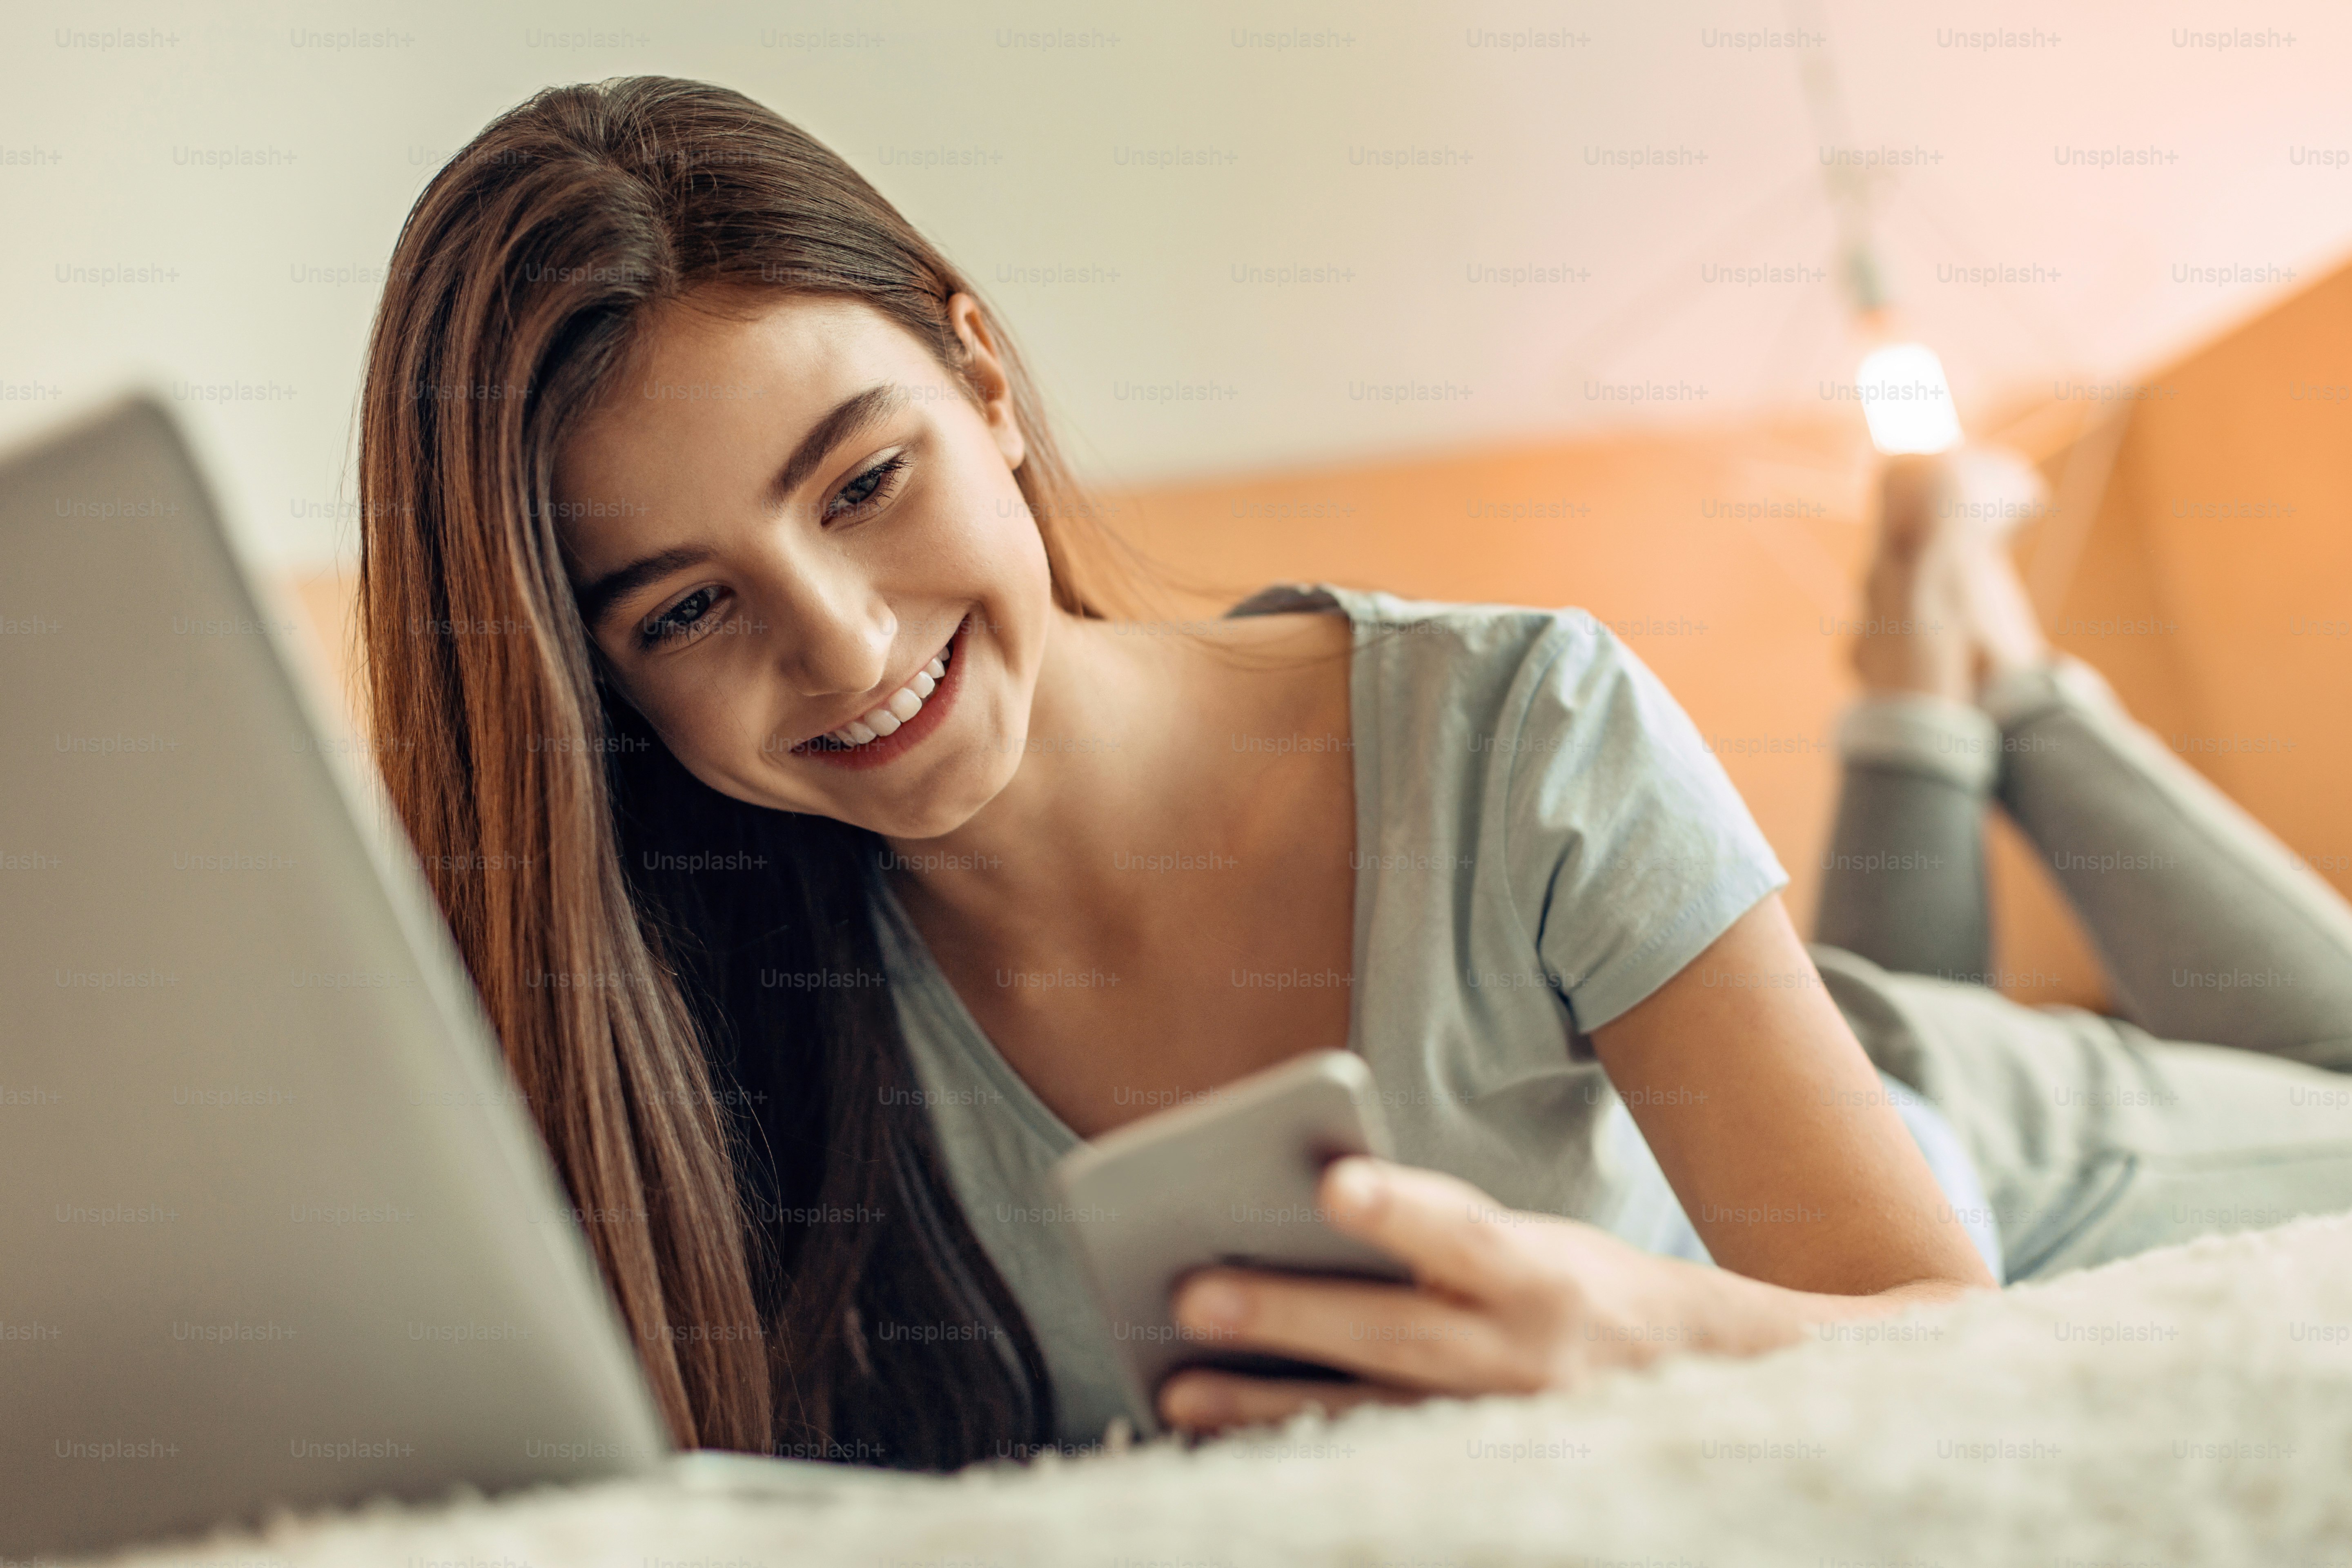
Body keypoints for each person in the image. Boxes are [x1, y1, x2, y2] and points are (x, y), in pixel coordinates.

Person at [354, 77, 2352, 1469]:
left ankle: (1993, 674)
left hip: (2061, 1153)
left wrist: (1635, 1336)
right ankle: (1938, 661)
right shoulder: (720, 1028)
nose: (850, 648)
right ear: (592, 685)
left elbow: (1958, 1340)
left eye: (867, 484)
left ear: (981, 375)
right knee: (1885, 1001)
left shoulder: (1519, 719)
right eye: (686, 612)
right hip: (1854, 1059)